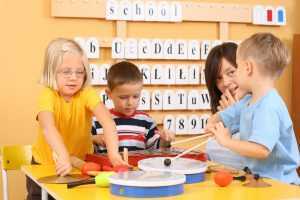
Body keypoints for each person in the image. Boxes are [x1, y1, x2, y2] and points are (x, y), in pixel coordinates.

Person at [28, 38, 125, 200]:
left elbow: (108, 122)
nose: (73, 77)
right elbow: (48, 128)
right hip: (45, 165)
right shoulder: (47, 95)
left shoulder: (87, 93)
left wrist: (114, 155)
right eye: (66, 72)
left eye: (79, 72)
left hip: (81, 165)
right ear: (51, 72)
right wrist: (63, 156)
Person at [207, 33, 300, 184]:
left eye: (237, 67)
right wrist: (213, 123)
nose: (235, 74)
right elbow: (225, 115)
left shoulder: (269, 105)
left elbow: (261, 150)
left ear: (248, 68)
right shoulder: (249, 101)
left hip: (281, 185)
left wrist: (226, 141)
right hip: (261, 181)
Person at [91, 61, 174, 153]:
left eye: (135, 96)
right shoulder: (98, 121)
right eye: (123, 97)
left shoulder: (146, 121)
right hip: (107, 167)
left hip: (137, 167)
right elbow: (84, 146)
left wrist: (165, 140)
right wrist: (94, 139)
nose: (130, 103)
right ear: (109, 94)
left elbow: (154, 149)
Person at [204, 42, 245, 169]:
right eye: (218, 78)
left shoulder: (263, 103)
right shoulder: (223, 109)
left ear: (246, 68)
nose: (225, 83)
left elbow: (248, 158)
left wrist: (235, 116)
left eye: (231, 72)